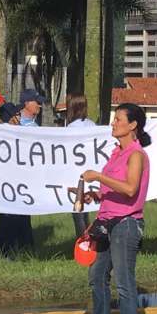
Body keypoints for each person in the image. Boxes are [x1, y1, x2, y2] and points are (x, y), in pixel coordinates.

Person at [70, 103, 151, 314]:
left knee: (124, 281)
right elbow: (114, 190)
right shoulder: (116, 153)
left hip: (126, 224)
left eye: (118, 119)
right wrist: (95, 194)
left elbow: (130, 189)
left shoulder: (137, 154)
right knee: (97, 275)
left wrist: (99, 177)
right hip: (105, 223)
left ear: (132, 125)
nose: (113, 123)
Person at [0, 100, 34, 255]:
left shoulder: (19, 132)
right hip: (7, 183)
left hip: (19, 182)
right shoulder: (3, 134)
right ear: (10, 117)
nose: (19, 116)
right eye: (17, 114)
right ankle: (7, 250)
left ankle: (21, 247)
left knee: (20, 216)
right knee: (8, 218)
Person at [66, 94, 96, 237]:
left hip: (74, 174)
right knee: (86, 210)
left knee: (77, 209)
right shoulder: (92, 125)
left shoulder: (70, 128)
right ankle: (89, 238)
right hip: (90, 172)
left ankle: (83, 241)